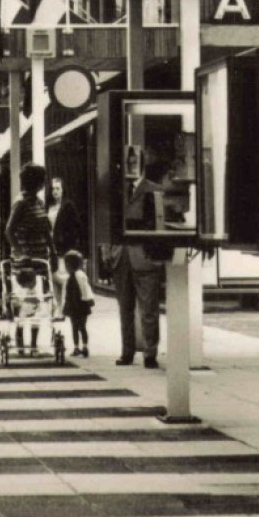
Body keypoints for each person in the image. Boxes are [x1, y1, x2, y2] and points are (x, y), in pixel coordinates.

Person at [114, 157, 170, 369]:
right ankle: (126, 351)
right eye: (127, 162)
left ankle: (150, 352)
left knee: (148, 308)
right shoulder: (118, 190)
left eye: (134, 162)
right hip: (122, 256)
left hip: (144, 255)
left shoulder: (154, 190)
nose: (130, 166)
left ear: (142, 165)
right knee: (124, 308)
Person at [5, 164, 55, 353]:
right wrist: (19, 251)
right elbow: (9, 230)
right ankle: (19, 336)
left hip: (40, 260)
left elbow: (46, 231)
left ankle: (33, 342)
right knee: (24, 300)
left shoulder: (40, 203)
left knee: (38, 300)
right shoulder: (21, 202)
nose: (44, 184)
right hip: (24, 263)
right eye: (42, 180)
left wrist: (54, 252)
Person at [62, 251, 95, 358]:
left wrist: (87, 299)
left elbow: (83, 289)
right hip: (79, 305)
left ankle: (79, 347)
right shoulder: (77, 275)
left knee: (76, 327)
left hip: (77, 305)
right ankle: (83, 347)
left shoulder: (77, 276)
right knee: (81, 327)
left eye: (66, 264)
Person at [47, 177, 85, 261]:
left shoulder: (68, 205)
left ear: (62, 190)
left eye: (57, 188)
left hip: (64, 246)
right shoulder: (49, 206)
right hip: (50, 245)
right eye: (53, 189)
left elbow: (77, 226)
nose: (55, 191)